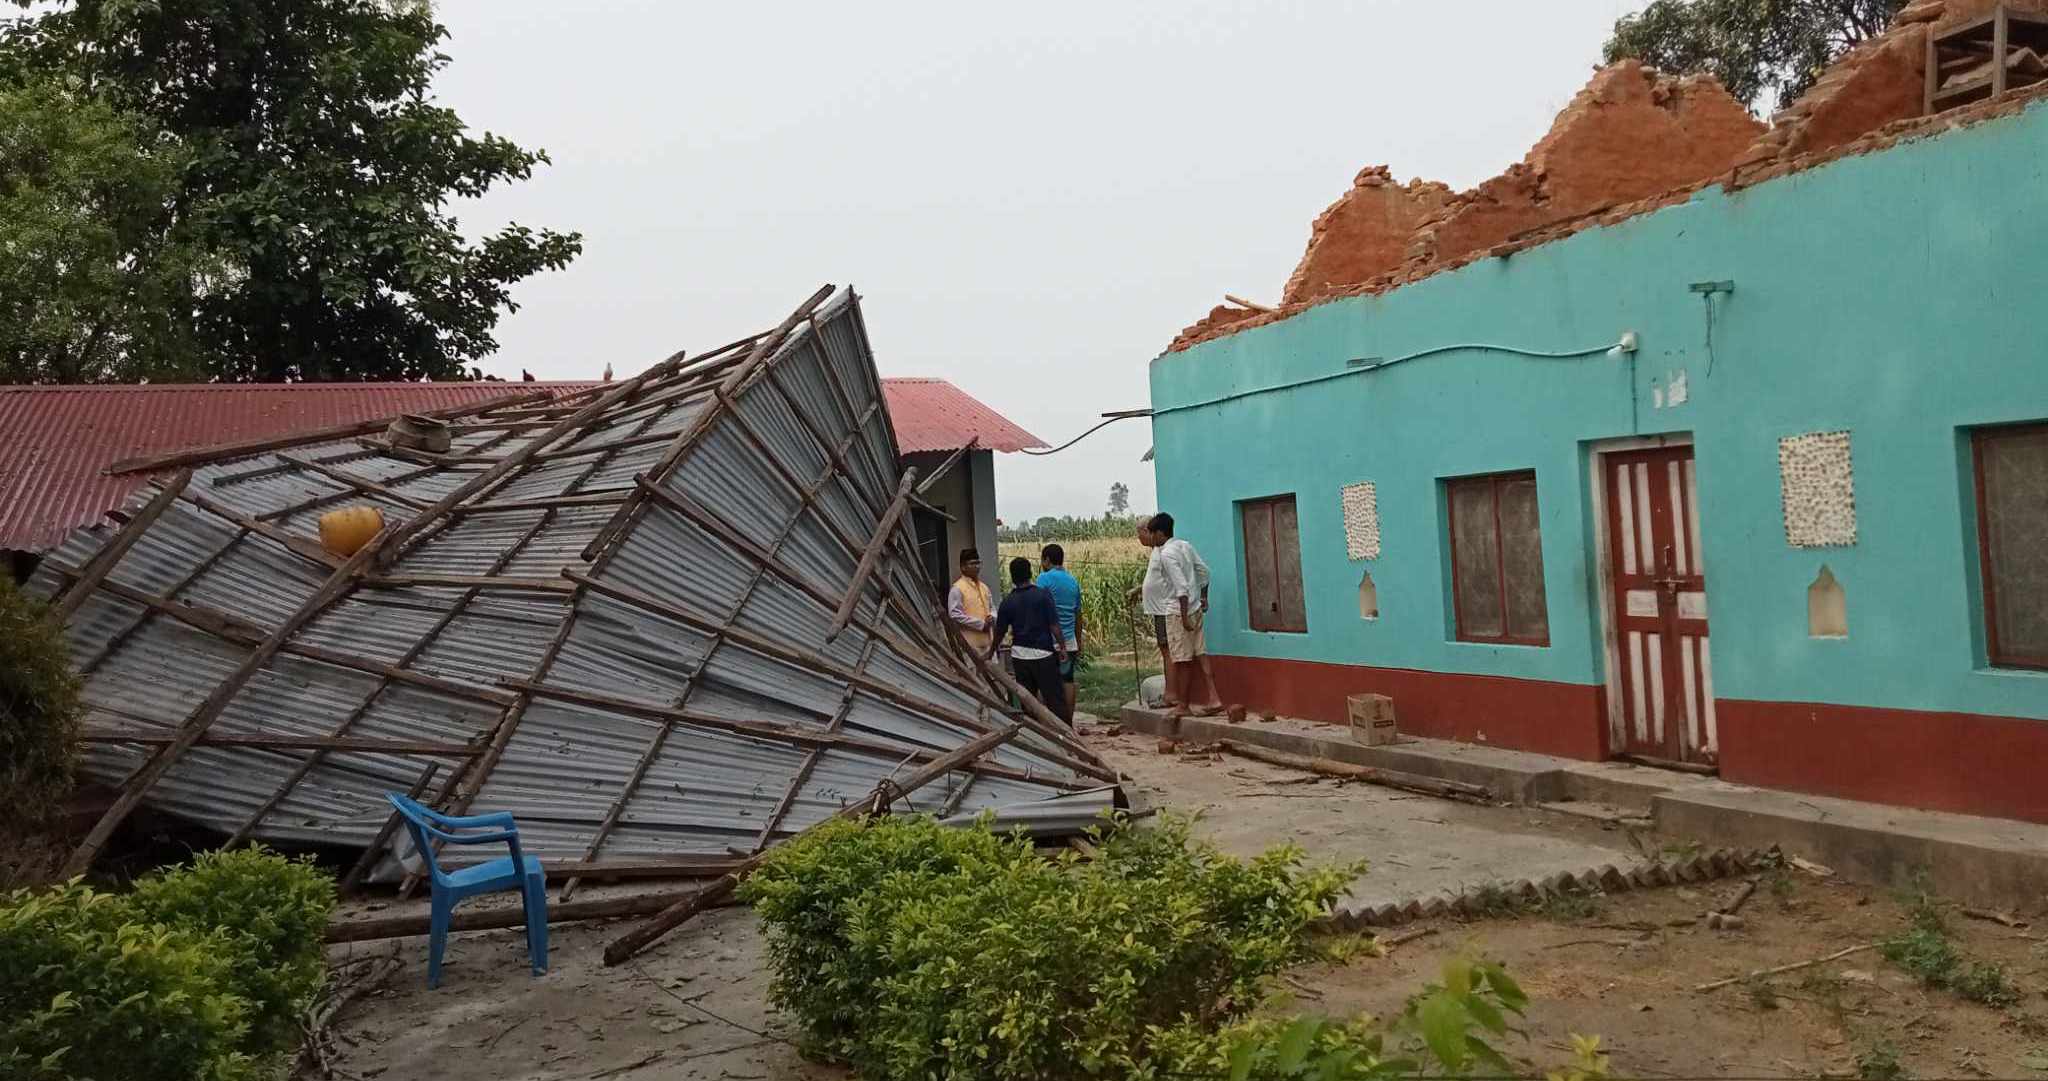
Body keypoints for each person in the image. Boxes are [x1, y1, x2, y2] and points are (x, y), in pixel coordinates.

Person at [1149, 513, 1223, 717]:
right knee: (1200, 653)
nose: (1151, 538)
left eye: (1152, 533)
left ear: (1160, 533)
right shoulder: (1184, 546)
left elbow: (1181, 588)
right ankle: (1214, 697)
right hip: (1196, 607)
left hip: (1178, 611)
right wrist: (1204, 598)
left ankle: (1183, 705)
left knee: (1181, 659)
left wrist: (1183, 617)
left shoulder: (1166, 554)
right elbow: (1204, 572)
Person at [990, 557, 1070, 722]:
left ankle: (1036, 738)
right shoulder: (1043, 596)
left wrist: (991, 652)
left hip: (1020, 657)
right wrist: (1062, 647)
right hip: (1044, 655)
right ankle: (1067, 737)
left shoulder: (1008, 602)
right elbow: (1054, 626)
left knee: (1028, 702)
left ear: (1012, 577)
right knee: (1055, 699)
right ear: (1030, 573)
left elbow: (999, 632)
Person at [1037, 543, 1083, 715]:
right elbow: (1078, 614)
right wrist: (1079, 640)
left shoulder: (1044, 578)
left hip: (1048, 640)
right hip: (1069, 641)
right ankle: (1068, 720)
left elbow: (1038, 606)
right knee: (1068, 680)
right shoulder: (1072, 581)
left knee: (1044, 682)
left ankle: (1048, 723)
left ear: (1047, 560)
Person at [947, 548, 994, 654]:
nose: (977, 567)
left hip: (988, 643)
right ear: (963, 567)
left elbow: (992, 608)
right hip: (969, 646)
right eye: (972, 563)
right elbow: (954, 614)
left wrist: (992, 617)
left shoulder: (984, 587)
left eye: (978, 563)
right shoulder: (957, 588)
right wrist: (980, 624)